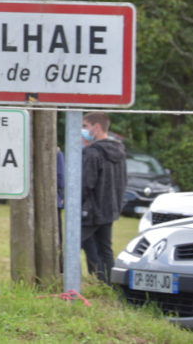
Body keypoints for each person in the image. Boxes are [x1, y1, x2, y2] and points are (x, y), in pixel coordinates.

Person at [80, 111, 127, 284]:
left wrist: (76, 203)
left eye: (85, 126)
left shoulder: (92, 153)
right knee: (104, 249)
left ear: (97, 127)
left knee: (73, 245)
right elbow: (123, 181)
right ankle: (108, 284)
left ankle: (81, 281)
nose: (82, 130)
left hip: (91, 210)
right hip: (110, 209)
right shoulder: (119, 151)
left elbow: (86, 184)